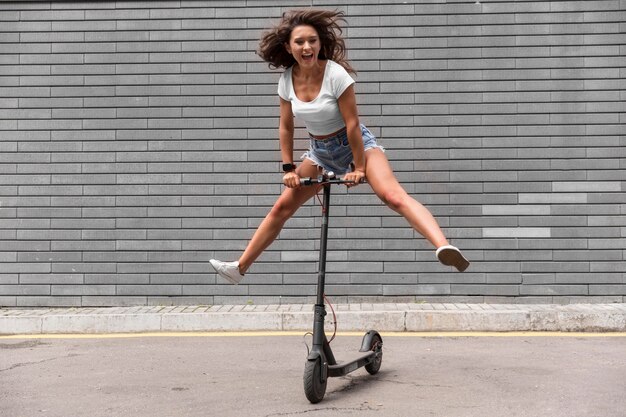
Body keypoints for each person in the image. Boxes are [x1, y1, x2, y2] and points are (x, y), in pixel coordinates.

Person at [210, 9, 469, 284]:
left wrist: (359, 167)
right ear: (289, 47)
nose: (307, 47)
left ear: (320, 44)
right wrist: (289, 168)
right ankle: (239, 268)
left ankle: (443, 246)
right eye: (299, 42)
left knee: (393, 196)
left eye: (312, 40)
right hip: (320, 152)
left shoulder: (336, 74)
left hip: (357, 144)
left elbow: (353, 124)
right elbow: (286, 126)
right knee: (281, 208)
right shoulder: (286, 80)